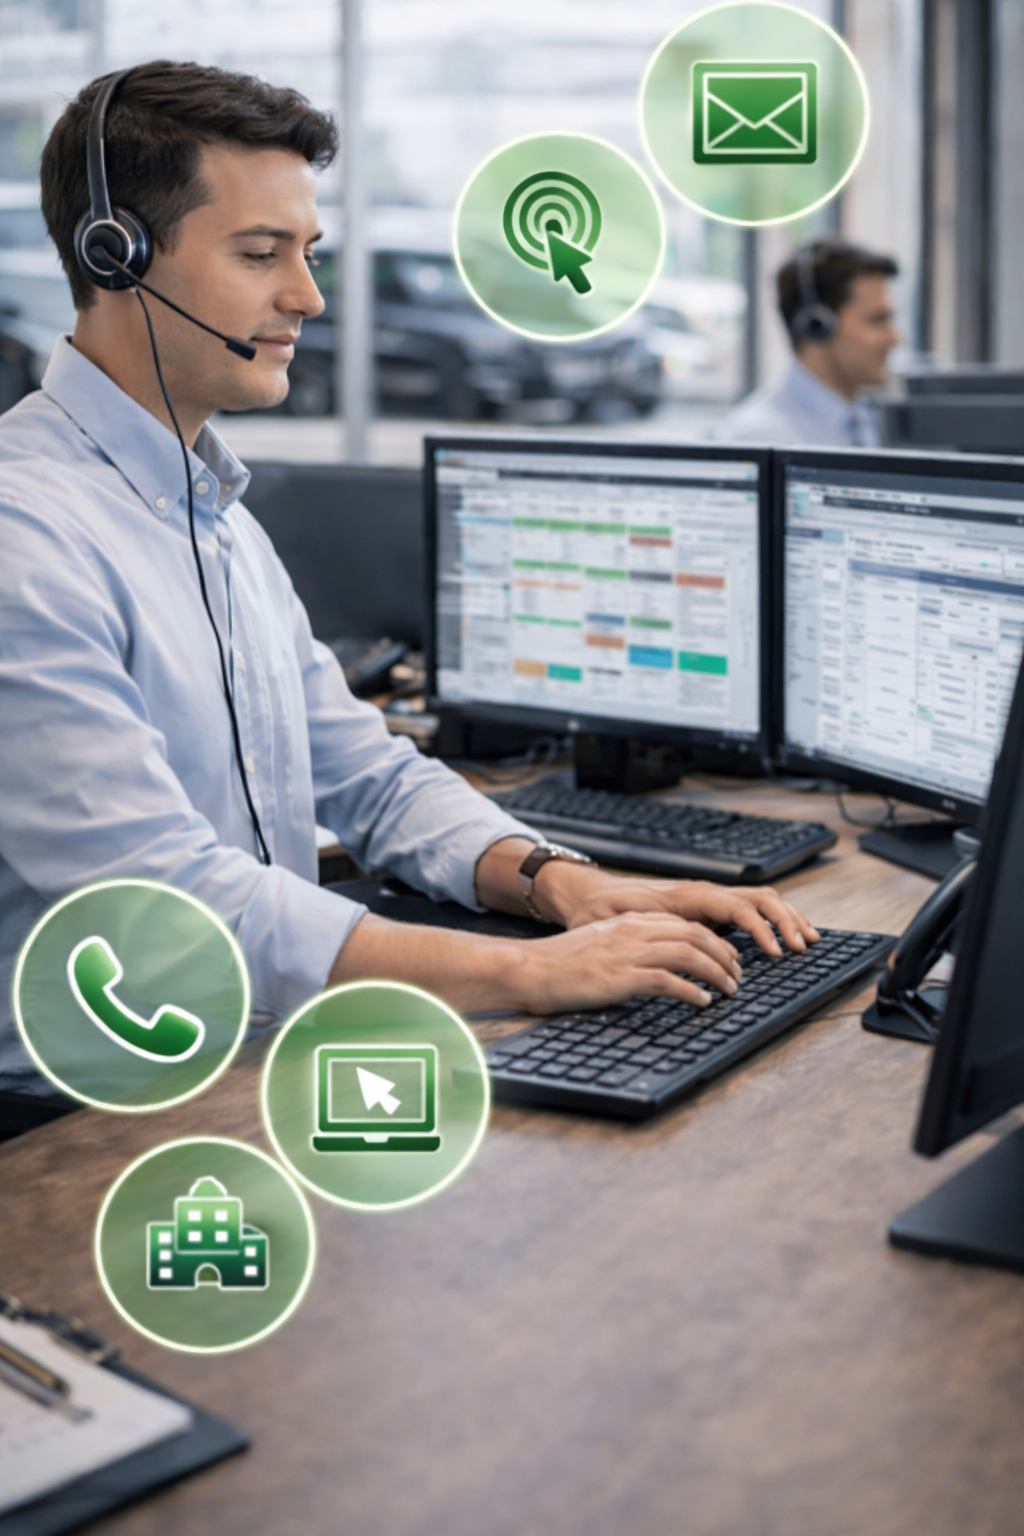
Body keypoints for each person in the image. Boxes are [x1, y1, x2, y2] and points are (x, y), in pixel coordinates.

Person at [0, 61, 817, 1107]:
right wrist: (522, 975)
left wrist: (563, 884)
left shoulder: (214, 519)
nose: (308, 296)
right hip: (87, 1117)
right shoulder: (30, 538)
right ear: (116, 259)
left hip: (255, 1051)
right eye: (261, 254)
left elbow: (369, 777)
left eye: (308, 253)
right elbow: (165, 907)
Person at [714, 239, 900, 447]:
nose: (895, 338)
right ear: (818, 325)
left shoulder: (863, 419)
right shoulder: (762, 441)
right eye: (877, 320)